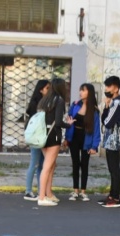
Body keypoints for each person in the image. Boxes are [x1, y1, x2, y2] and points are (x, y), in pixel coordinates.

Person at [64, 83, 101, 202]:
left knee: (84, 165)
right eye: (80, 90)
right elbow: (69, 122)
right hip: (74, 137)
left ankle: (83, 191)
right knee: (75, 164)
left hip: (87, 139)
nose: (81, 92)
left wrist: (94, 146)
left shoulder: (94, 110)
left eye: (83, 90)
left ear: (89, 92)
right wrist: (66, 138)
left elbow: (96, 129)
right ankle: (75, 190)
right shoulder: (75, 105)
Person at [36, 78, 67, 207]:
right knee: (48, 166)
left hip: (42, 136)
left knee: (51, 165)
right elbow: (59, 122)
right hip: (53, 136)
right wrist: (69, 125)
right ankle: (42, 196)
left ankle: (48, 193)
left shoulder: (44, 100)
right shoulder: (59, 101)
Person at [101, 75, 120, 208]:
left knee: (115, 169)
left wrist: (108, 108)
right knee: (112, 168)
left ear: (116, 88)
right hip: (110, 140)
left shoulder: (118, 103)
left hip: (114, 140)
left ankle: (116, 198)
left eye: (109, 86)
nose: (106, 89)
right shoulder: (113, 102)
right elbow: (104, 119)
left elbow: (108, 123)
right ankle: (112, 195)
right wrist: (106, 106)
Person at [23, 79, 49, 200]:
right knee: (34, 163)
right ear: (41, 90)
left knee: (41, 165)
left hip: (42, 137)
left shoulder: (42, 102)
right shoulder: (38, 104)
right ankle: (28, 191)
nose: (49, 91)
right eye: (47, 88)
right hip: (37, 137)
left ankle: (40, 191)